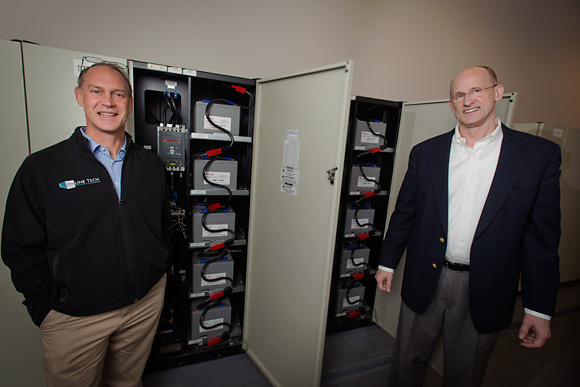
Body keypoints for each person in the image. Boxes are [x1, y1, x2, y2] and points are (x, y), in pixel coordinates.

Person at [375, 66, 561, 386]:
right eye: (459, 94)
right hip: (426, 278)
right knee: (406, 365)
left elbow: (541, 238)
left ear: (498, 92)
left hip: (486, 286)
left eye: (477, 90)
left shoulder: (537, 156)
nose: (468, 100)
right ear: (451, 104)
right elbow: (405, 214)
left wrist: (539, 308)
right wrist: (387, 263)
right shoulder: (426, 153)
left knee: (465, 375)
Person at [1, 61, 171, 386]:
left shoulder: (152, 165)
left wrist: (157, 276)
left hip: (143, 306)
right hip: (75, 316)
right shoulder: (42, 167)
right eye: (97, 91)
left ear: (129, 102)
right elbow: (20, 245)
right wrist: (46, 308)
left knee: (126, 382)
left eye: (117, 94)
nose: (108, 102)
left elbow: (161, 229)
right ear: (80, 96)